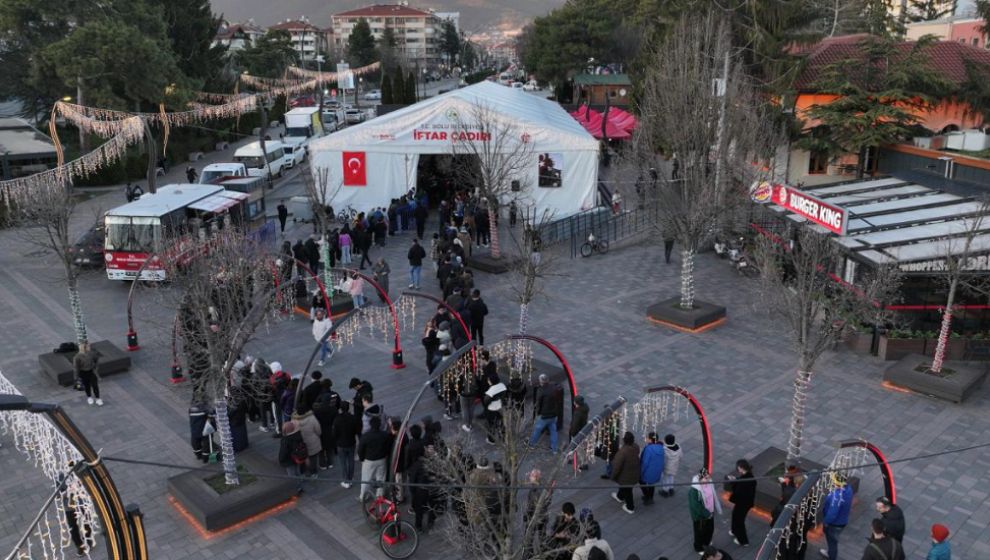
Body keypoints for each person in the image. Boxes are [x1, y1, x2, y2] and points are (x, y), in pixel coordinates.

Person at [820, 474, 854, 560]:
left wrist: (825, 522)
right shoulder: (848, 489)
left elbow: (832, 513)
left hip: (834, 524)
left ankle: (831, 556)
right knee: (833, 541)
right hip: (842, 521)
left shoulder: (837, 496)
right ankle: (831, 553)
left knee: (832, 542)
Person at [357, 415, 390, 501]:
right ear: (379, 425)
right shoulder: (385, 435)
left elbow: (360, 449)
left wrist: (361, 458)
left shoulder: (365, 436)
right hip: (382, 459)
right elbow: (388, 447)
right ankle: (380, 496)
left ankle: (363, 496)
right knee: (381, 478)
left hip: (369, 461)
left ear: (370, 425)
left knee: (366, 479)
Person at [689, 469, 721, 553]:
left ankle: (706, 542)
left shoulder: (709, 483)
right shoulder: (694, 491)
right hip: (699, 516)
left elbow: (713, 497)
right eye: (706, 478)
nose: (708, 479)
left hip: (710, 512)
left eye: (708, 477)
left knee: (710, 529)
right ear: (700, 478)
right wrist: (707, 514)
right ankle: (698, 547)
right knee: (699, 532)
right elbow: (696, 505)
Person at [529, 374, 562, 452]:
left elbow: (538, 403)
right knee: (553, 431)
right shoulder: (554, 387)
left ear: (541, 381)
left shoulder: (541, 390)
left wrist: (537, 413)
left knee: (537, 429)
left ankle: (531, 444)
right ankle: (554, 448)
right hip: (554, 414)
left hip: (545, 415)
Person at [727, 459, 757, 547]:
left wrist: (733, 482)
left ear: (741, 468)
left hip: (742, 504)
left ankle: (743, 540)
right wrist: (736, 479)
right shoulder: (749, 476)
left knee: (739, 520)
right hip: (746, 503)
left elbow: (737, 491)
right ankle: (734, 530)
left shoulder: (744, 479)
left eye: (738, 468)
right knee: (735, 516)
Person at [610, 432, 640, 514]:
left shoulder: (623, 452)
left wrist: (612, 476)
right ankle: (620, 496)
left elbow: (617, 466)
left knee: (628, 491)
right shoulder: (636, 446)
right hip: (635, 472)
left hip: (626, 476)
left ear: (624, 440)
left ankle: (630, 507)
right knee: (625, 487)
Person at [332, 401, 358, 488]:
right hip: (351, 442)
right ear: (348, 408)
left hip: (341, 444)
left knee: (343, 463)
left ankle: (346, 480)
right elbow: (356, 430)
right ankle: (350, 478)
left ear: (340, 409)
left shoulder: (337, 419)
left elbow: (334, 433)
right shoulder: (353, 418)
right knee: (351, 461)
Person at [291, 406, 322, 477]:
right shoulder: (312, 418)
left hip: (300, 443)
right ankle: (313, 473)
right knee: (313, 458)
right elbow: (318, 430)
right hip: (313, 441)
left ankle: (303, 472)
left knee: (302, 457)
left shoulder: (294, 420)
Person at [277, 421, 306, 494]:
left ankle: (296, 489)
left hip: (288, 461)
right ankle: (300, 486)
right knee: (297, 472)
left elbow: (283, 452)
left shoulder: (286, 440)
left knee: (292, 475)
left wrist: (281, 460)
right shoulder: (298, 435)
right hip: (297, 458)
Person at [638, 432, 665, 505]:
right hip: (657, 470)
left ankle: (648, 497)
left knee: (641, 481)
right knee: (652, 484)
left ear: (650, 440)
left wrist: (641, 471)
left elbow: (645, 462)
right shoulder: (661, 447)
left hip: (648, 471)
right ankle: (650, 497)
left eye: (647, 438)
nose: (646, 439)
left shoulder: (648, 449)